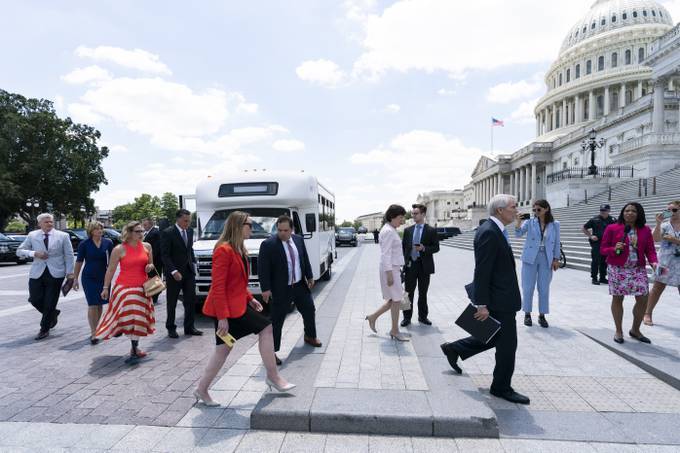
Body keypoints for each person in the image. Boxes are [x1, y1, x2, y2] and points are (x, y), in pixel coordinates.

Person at [195, 211, 295, 405]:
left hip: (237, 305)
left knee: (223, 350)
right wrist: (222, 317)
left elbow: (237, 283)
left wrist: (250, 298)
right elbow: (218, 286)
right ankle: (273, 377)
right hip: (228, 310)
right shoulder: (223, 250)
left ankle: (201, 390)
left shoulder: (237, 248)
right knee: (266, 328)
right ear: (238, 226)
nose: (253, 227)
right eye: (250, 224)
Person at [440, 195, 530, 405]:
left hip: (501, 297)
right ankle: (500, 387)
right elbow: (482, 270)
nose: (517, 210)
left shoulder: (495, 230)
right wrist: (481, 304)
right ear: (500, 210)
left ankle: (455, 349)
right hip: (498, 299)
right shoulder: (489, 232)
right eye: (513, 206)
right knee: (507, 344)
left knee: (495, 336)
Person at [258, 215, 321, 365]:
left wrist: (310, 276)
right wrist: (265, 288)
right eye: (279, 230)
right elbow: (263, 268)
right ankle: (271, 352)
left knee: (309, 309)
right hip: (280, 289)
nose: (282, 233)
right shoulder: (268, 244)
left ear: (292, 229)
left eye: (286, 230)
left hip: (299, 285)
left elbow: (304, 259)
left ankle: (310, 336)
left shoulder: (298, 240)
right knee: (277, 321)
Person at [96, 221, 156, 363]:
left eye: (142, 231)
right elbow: (110, 269)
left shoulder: (147, 246)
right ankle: (131, 344)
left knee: (138, 319)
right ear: (128, 233)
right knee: (134, 316)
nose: (141, 234)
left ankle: (133, 347)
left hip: (142, 287)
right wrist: (105, 288)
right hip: (124, 288)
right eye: (137, 232)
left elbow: (151, 264)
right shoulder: (119, 249)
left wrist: (150, 266)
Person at [601, 202, 658, 344]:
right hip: (617, 269)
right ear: (622, 212)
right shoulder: (612, 228)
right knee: (618, 298)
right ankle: (618, 331)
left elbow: (650, 250)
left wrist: (654, 262)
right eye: (627, 210)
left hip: (637, 269)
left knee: (643, 298)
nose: (630, 213)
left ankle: (635, 330)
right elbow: (603, 249)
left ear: (639, 214)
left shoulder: (645, 230)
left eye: (633, 211)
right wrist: (614, 248)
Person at [16, 213, 75, 340]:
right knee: (34, 299)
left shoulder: (63, 236)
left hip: (56, 273)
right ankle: (53, 314)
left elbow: (69, 255)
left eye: (51, 222)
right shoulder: (32, 235)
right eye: (46, 222)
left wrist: (70, 273)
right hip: (37, 272)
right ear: (39, 224)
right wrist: (34, 253)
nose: (49, 224)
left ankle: (44, 328)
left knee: (50, 302)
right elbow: (19, 251)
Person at [365, 205, 409, 342]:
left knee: (393, 299)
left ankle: (373, 317)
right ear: (392, 217)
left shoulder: (389, 229)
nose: (402, 220)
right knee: (396, 300)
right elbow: (385, 254)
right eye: (400, 217)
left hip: (392, 268)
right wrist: (390, 274)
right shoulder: (389, 231)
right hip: (390, 269)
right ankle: (394, 330)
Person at [514, 199, 561, 328]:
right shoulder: (530, 222)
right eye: (534, 210)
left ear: (546, 209)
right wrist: (518, 222)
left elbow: (557, 242)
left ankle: (542, 315)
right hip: (530, 257)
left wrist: (556, 259)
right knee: (528, 287)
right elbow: (518, 234)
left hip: (546, 258)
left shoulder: (555, 224)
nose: (536, 212)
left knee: (544, 288)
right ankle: (527, 314)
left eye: (538, 209)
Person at [161, 209, 202, 338]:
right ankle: (171, 327)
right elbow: (165, 255)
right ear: (178, 219)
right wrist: (173, 271)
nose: (188, 223)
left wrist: (194, 264)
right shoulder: (168, 233)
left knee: (190, 300)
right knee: (172, 302)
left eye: (189, 221)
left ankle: (189, 327)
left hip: (189, 272)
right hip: (174, 273)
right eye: (185, 220)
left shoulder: (190, 231)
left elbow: (189, 250)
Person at [73, 221, 115, 344]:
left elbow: (113, 260)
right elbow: (79, 261)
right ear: (91, 231)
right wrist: (75, 278)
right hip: (89, 277)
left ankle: (98, 328)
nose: (100, 231)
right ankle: (93, 332)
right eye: (97, 229)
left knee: (100, 303)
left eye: (101, 228)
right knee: (92, 304)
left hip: (103, 277)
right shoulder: (84, 244)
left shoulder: (108, 242)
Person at [401, 203, 439, 327]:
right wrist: (403, 263)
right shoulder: (408, 230)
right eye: (412, 213)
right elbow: (404, 248)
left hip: (424, 267)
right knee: (407, 293)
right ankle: (406, 318)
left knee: (423, 293)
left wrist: (424, 248)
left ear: (423, 214)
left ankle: (423, 317)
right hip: (411, 265)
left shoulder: (431, 230)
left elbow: (436, 247)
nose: (413, 215)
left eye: (416, 213)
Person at [644, 200, 680, 326]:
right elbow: (654, 239)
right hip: (665, 262)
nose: (671, 212)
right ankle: (647, 313)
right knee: (657, 287)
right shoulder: (664, 225)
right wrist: (658, 223)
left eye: (674, 210)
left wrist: (676, 240)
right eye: (668, 210)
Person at [583, 204, 616, 285]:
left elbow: (618, 228)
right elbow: (584, 228)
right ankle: (594, 278)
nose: (603, 212)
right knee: (595, 260)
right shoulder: (594, 219)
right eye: (601, 210)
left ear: (609, 211)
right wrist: (591, 236)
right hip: (597, 243)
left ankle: (602, 277)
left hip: (608, 243)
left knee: (604, 261)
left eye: (605, 210)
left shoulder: (613, 220)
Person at [142, 218, 163, 304]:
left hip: (155, 261)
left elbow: (156, 249)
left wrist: (150, 261)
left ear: (150, 224)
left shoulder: (155, 233)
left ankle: (154, 296)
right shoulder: (149, 233)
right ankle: (153, 295)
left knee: (154, 278)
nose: (144, 227)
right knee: (152, 278)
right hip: (152, 260)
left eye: (145, 225)